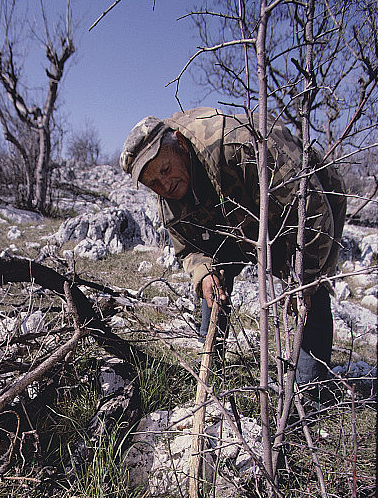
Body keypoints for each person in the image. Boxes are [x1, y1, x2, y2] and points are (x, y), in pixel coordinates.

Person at [120, 107, 346, 388]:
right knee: (213, 280)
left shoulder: (238, 146)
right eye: (153, 183)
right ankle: (209, 370)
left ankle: (309, 392)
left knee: (310, 295)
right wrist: (204, 272)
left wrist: (305, 280)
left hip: (302, 206)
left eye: (166, 170)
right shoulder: (168, 194)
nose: (165, 185)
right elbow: (188, 248)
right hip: (232, 218)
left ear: (180, 144)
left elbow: (312, 211)